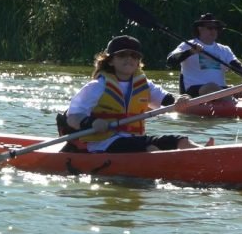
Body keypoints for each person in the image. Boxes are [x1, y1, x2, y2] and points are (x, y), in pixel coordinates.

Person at [64, 35, 209, 153]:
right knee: (149, 148)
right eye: (122, 55)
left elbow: (168, 100)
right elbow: (73, 116)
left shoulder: (144, 85)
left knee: (181, 141)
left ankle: (205, 153)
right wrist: (91, 123)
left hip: (135, 139)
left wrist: (180, 99)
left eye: (134, 56)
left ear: (138, 61)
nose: (129, 59)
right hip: (104, 143)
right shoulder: (97, 86)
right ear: (110, 61)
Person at [166, 12, 242, 98]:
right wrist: (190, 52)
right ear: (200, 29)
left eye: (216, 28)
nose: (214, 31)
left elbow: (238, 66)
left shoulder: (224, 49)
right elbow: (170, 61)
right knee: (212, 87)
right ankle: (232, 102)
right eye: (210, 28)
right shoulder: (187, 45)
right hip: (195, 92)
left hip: (221, 91)